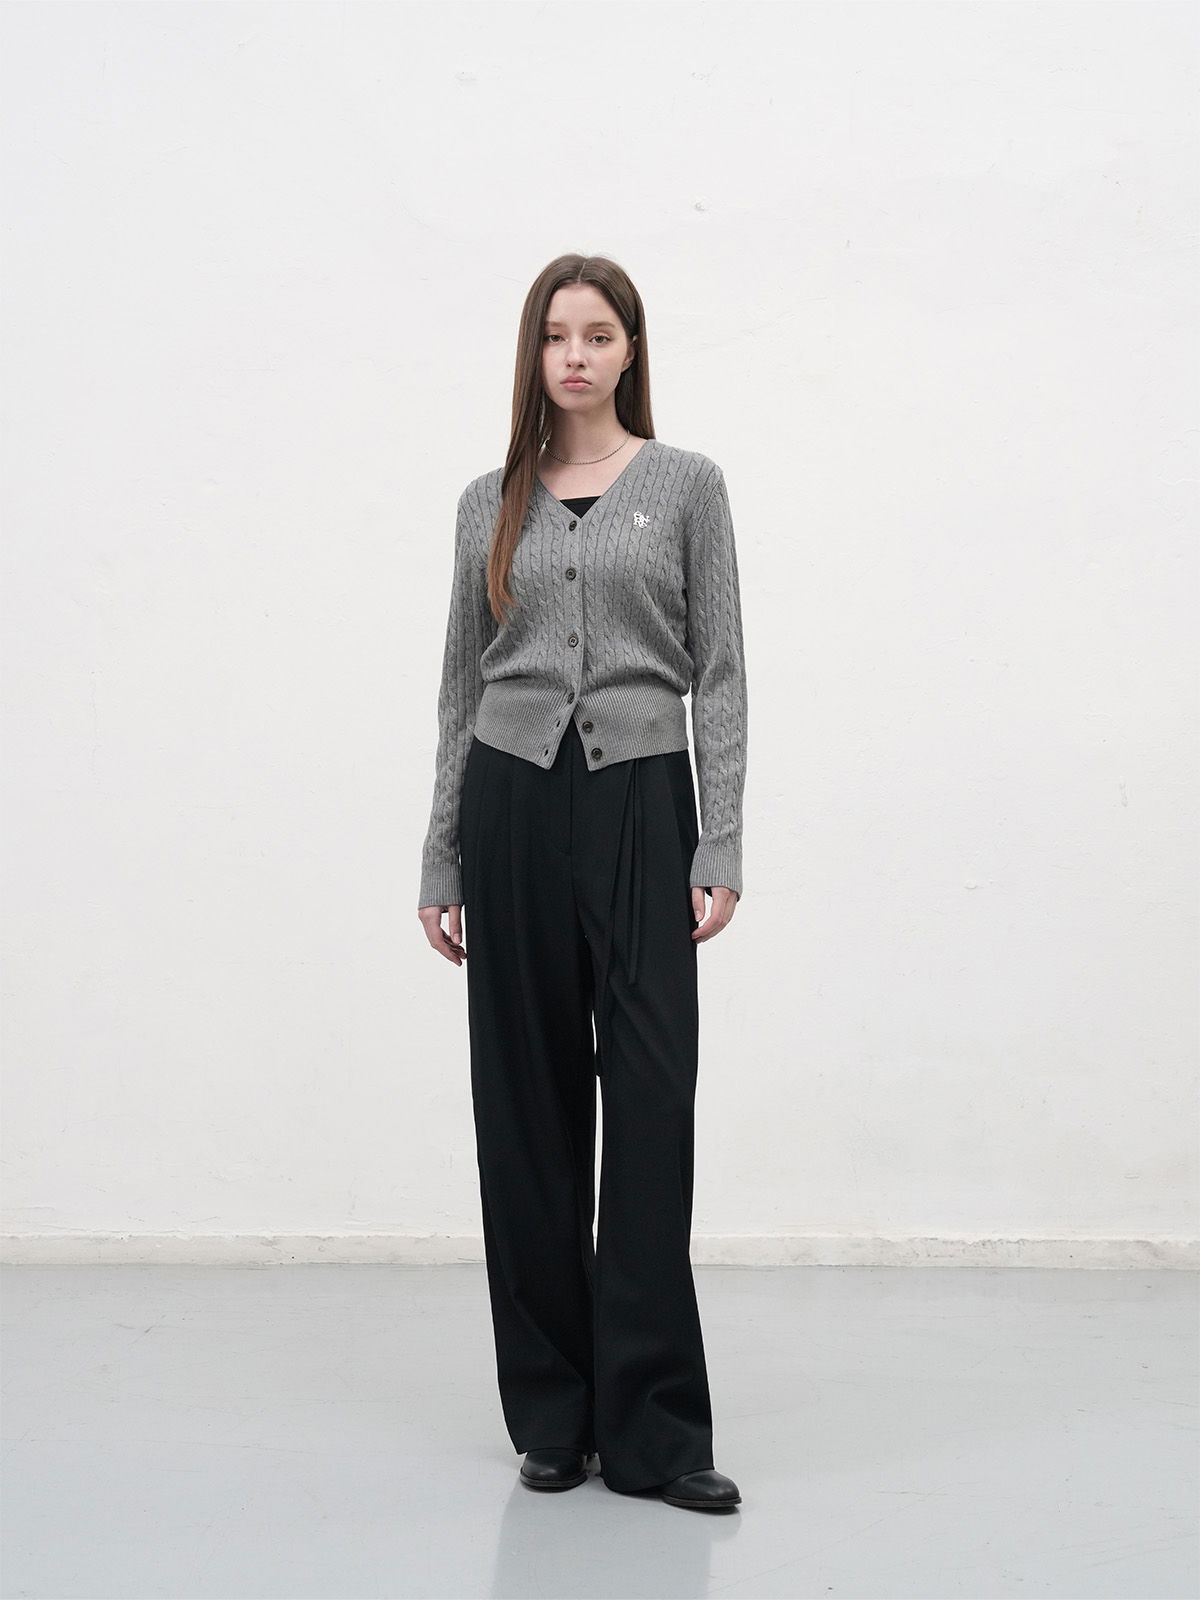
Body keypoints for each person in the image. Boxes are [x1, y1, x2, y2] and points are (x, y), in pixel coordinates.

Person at [417, 254, 748, 1513]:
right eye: (556, 334)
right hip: (509, 804)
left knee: (652, 1104)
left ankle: (656, 1429)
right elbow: (459, 685)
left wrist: (720, 840)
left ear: (629, 350)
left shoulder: (686, 486)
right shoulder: (486, 503)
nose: (575, 355)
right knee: (528, 1108)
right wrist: (442, 853)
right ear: (534, 352)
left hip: (641, 802)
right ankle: (554, 1415)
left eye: (598, 334)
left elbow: (721, 671)